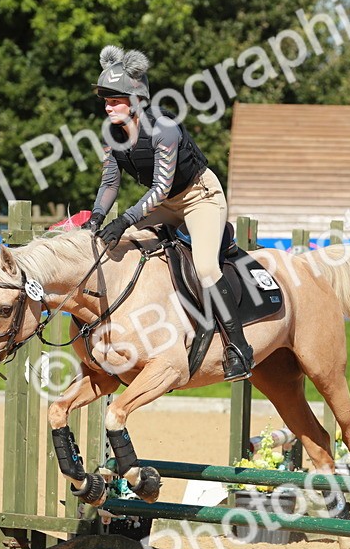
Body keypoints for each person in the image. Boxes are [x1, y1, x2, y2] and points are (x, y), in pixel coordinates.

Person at [82, 45, 253, 381]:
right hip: (165, 205)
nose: (107, 106)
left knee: (205, 266)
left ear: (136, 101)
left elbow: (160, 187)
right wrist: (96, 219)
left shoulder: (164, 128)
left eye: (114, 99)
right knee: (121, 247)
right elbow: (110, 183)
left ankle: (238, 348)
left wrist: (125, 218)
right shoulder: (112, 134)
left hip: (200, 198)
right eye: (105, 99)